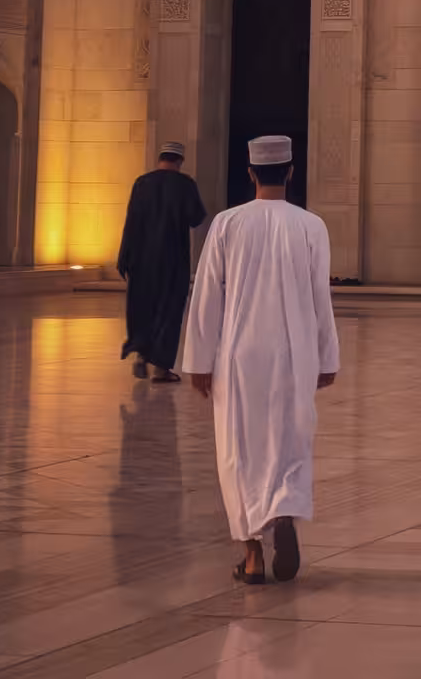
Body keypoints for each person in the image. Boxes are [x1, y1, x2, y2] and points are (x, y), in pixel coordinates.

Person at [183, 134, 339, 585]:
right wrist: (327, 356)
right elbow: (318, 299)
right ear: (290, 172)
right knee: (290, 437)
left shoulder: (228, 224)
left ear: (250, 173)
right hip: (294, 351)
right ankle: (284, 510)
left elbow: (208, 294)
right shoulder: (311, 226)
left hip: (239, 352)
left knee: (238, 448)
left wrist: (198, 359)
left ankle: (251, 555)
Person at [117, 142, 206, 383]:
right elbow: (197, 217)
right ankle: (161, 367)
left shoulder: (142, 183)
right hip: (172, 259)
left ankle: (142, 355)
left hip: (141, 258)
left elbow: (131, 220)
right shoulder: (185, 184)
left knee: (143, 307)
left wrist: (123, 256)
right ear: (179, 161)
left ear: (160, 158)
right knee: (169, 310)